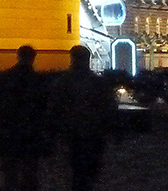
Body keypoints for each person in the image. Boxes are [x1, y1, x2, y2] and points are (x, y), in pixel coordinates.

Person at [49, 45, 117, 191]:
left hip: (72, 132)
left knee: (75, 171)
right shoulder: (98, 83)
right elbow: (110, 106)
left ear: (72, 59)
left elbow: (54, 107)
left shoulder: (63, 82)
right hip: (93, 132)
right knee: (90, 171)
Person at [0, 45, 51, 191]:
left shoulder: (6, 77)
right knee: (30, 171)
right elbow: (43, 107)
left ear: (18, 56)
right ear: (33, 58)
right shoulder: (38, 80)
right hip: (31, 131)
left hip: (10, 130)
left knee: (9, 171)